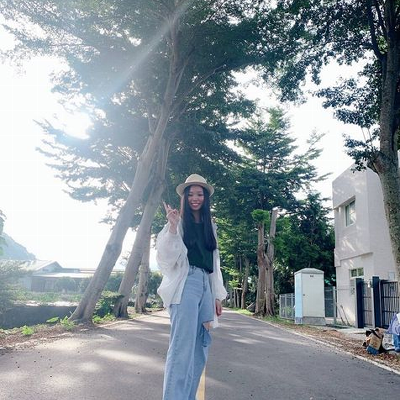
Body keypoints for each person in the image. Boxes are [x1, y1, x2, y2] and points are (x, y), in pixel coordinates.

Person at [156, 174, 227, 400]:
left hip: (206, 284)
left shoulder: (210, 226)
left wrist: (217, 295)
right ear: (184, 198)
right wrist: (172, 227)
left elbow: (215, 263)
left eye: (199, 194)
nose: (195, 198)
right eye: (191, 194)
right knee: (182, 347)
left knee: (200, 346)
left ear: (206, 198)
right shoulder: (178, 223)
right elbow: (166, 259)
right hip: (186, 283)